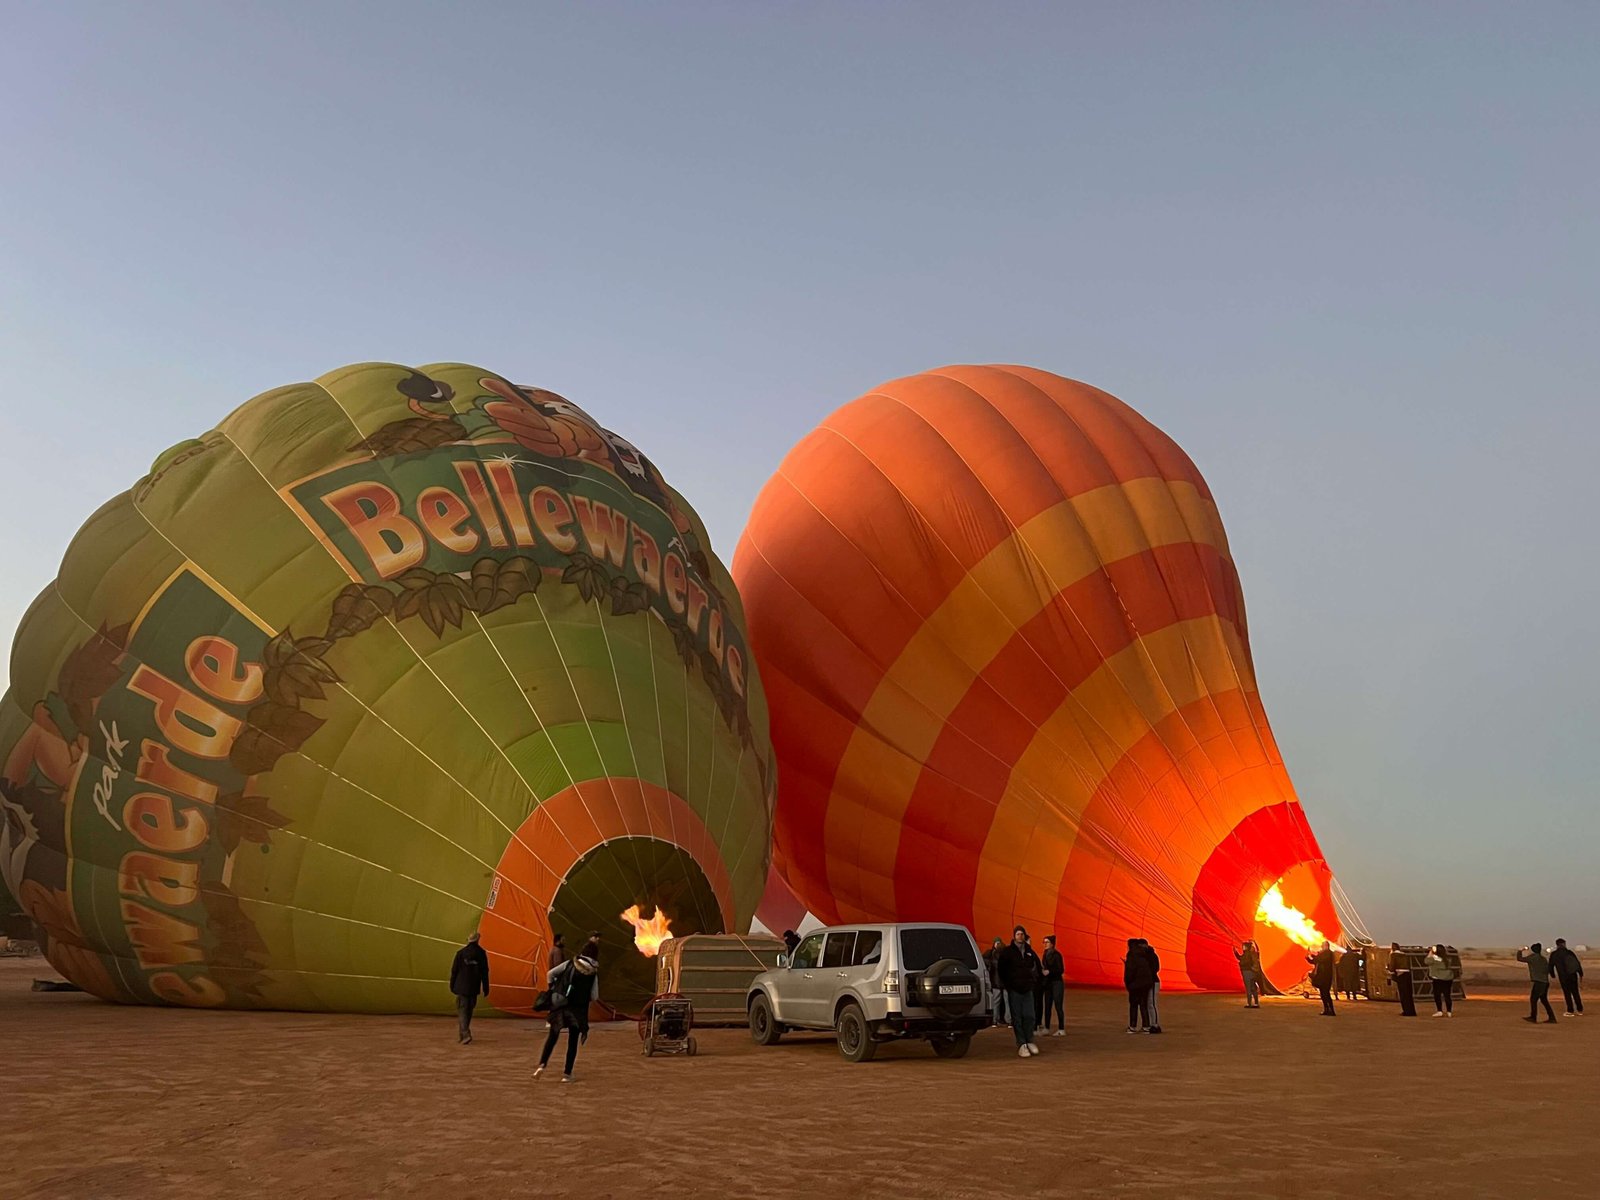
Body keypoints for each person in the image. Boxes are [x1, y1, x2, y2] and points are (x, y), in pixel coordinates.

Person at [537, 939, 600, 1082]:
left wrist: (553, 987)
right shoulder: (593, 973)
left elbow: (550, 974)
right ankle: (567, 1074)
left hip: (561, 1006)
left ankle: (542, 1064)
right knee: (572, 1042)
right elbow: (595, 996)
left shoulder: (570, 963)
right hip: (578, 1011)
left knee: (552, 1036)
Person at [997, 925, 1042, 1057]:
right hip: (1014, 990)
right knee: (1017, 1017)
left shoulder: (1029, 951)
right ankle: (1021, 1043)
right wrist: (1008, 985)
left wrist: (1033, 981)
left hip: (1027, 989)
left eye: (1022, 934)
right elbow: (1001, 970)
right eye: (1018, 934)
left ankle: (1029, 1040)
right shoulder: (1008, 952)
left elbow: (1036, 967)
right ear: (1014, 936)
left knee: (1030, 1016)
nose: (1020, 936)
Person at [449, 931, 491, 1044]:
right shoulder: (481, 954)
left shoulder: (461, 953)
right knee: (468, 1011)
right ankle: (463, 1035)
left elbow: (454, 971)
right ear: (478, 940)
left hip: (461, 987)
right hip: (473, 987)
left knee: (462, 1011)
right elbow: (484, 972)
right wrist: (486, 987)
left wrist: (452, 985)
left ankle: (465, 1034)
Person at [1517, 943, 1558, 1024]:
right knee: (1544, 1000)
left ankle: (1533, 1017)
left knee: (1533, 999)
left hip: (1538, 982)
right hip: (1545, 982)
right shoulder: (1543, 959)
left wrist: (1520, 950)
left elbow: (1519, 958)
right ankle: (1551, 1017)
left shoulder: (1532, 958)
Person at [1123, 938, 1154, 1033]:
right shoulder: (1145, 954)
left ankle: (1132, 1027)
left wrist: (1128, 983)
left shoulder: (1132, 955)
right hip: (1145, 984)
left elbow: (1130, 971)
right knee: (1143, 1005)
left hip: (1135, 985)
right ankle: (1146, 1026)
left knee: (1133, 1006)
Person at [1039, 934, 1066, 1036]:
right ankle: (1046, 1027)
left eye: (1047, 942)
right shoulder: (1045, 954)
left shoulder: (1057, 955)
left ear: (1052, 944)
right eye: (1044, 942)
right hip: (1048, 984)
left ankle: (1061, 1029)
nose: (1045, 944)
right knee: (1047, 1005)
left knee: (1058, 1006)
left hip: (1057, 983)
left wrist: (1049, 971)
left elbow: (1060, 970)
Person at [1549, 939, 1584, 1016]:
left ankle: (1570, 1010)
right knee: (1575, 992)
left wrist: (1552, 975)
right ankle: (1580, 1009)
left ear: (1557, 944)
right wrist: (1580, 973)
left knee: (1567, 993)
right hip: (1573, 975)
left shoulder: (1554, 954)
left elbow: (1550, 966)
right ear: (1564, 944)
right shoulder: (1570, 952)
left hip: (1563, 977)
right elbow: (1577, 963)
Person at [1307, 940, 1337, 1015]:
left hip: (1325, 977)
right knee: (1323, 994)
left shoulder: (1328, 953)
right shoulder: (1324, 954)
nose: (1321, 946)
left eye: (1322, 945)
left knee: (1326, 994)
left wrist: (1312, 956)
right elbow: (1315, 960)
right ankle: (1326, 1009)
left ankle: (1331, 1010)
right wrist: (1309, 957)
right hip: (1322, 977)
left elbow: (1318, 959)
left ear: (1326, 946)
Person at [1425, 944, 1455, 1017]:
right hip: (1448, 978)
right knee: (1447, 995)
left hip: (1438, 979)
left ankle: (1439, 1011)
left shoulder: (1434, 958)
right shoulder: (1448, 958)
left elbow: (1426, 961)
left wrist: (1430, 953)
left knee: (1437, 995)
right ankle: (1449, 1012)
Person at [1388, 943, 1417, 1017]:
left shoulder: (1393, 955)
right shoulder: (1404, 955)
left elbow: (1392, 965)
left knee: (1403, 994)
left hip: (1400, 974)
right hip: (1407, 974)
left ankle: (1406, 1011)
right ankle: (1412, 1010)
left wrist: (1390, 971)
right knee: (1408, 994)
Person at [985, 937, 1008, 1026]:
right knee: (1007, 1002)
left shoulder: (991, 956)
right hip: (1004, 983)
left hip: (996, 982)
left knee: (996, 1002)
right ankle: (1008, 1020)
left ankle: (995, 1020)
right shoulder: (1006, 956)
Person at [1235, 940, 1262, 1008]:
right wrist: (1235, 952)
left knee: (1248, 988)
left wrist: (1241, 964)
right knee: (1253, 988)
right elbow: (1240, 958)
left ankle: (1249, 1003)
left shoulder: (1247, 955)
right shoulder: (1251, 954)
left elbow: (1243, 961)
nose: (1242, 947)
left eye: (1244, 946)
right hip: (1252, 973)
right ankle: (1256, 1003)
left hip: (1247, 972)